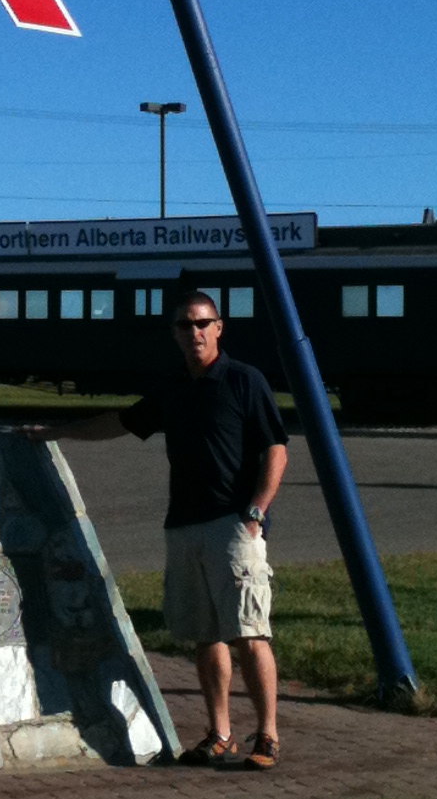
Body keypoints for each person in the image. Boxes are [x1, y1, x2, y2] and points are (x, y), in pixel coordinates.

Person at [29, 289, 288, 768]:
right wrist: (59, 432)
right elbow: (122, 421)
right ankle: (220, 734)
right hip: (184, 526)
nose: (195, 333)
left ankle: (267, 736)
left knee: (249, 633)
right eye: (185, 325)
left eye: (202, 323)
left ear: (219, 327)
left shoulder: (243, 381)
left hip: (233, 527)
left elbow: (276, 449)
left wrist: (255, 511)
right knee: (205, 636)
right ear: (174, 334)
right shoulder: (173, 388)